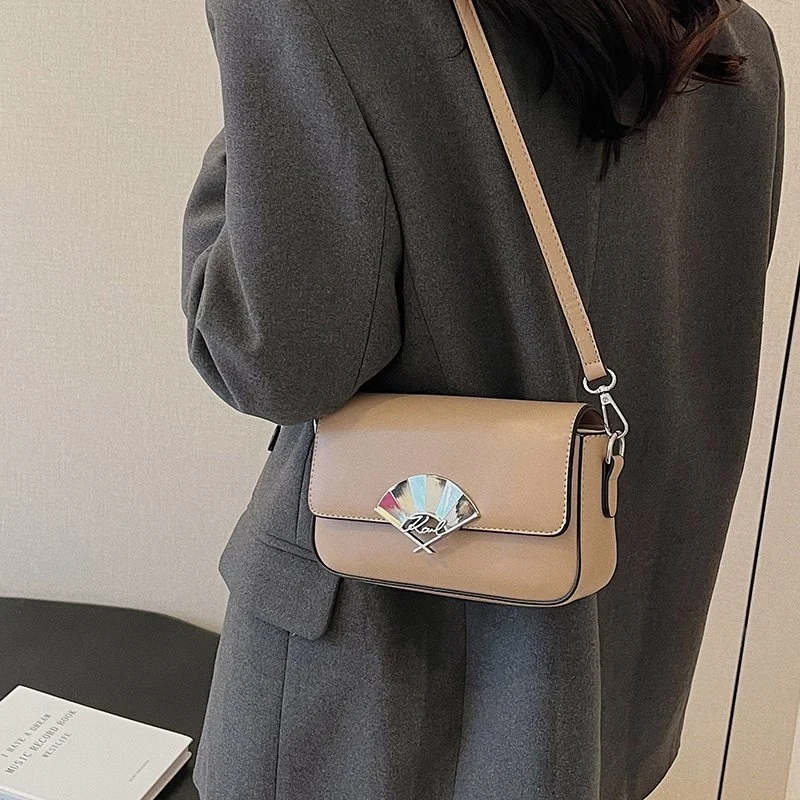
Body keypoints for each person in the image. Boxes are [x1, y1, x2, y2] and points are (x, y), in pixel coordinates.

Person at [180, 0, 784, 797]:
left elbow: (269, 359)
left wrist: (255, 130)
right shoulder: (733, 42)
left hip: (372, 702)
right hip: (616, 677)